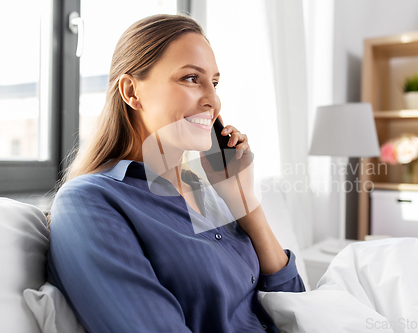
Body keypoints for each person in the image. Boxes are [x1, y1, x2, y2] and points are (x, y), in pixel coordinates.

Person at [47, 14, 305, 333]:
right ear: (131, 92)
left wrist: (246, 204)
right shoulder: (90, 202)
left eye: (214, 83)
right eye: (191, 79)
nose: (213, 101)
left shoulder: (211, 191)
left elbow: (298, 309)